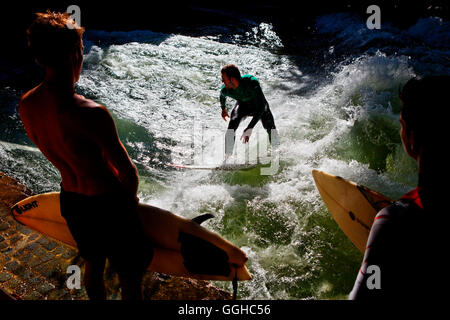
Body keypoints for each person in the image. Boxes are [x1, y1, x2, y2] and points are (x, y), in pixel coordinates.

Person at [18, 11, 153, 300]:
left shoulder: (27, 104)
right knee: (130, 278)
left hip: (72, 202)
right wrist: (129, 207)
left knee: (93, 265)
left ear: (40, 57)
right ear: (72, 55)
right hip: (107, 203)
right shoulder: (90, 113)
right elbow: (127, 173)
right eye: (80, 50)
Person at [349, 75, 449, 300]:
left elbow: (367, 294)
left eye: (402, 124)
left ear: (411, 137)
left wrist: (375, 255)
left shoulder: (395, 222)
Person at [219, 64, 277, 157]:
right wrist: (223, 109)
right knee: (232, 125)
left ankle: (276, 149)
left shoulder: (251, 82)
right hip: (243, 106)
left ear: (232, 79)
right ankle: (227, 157)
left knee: (270, 127)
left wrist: (250, 127)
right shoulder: (225, 90)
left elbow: (261, 107)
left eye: (224, 79)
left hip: (259, 105)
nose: (222, 81)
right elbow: (222, 96)